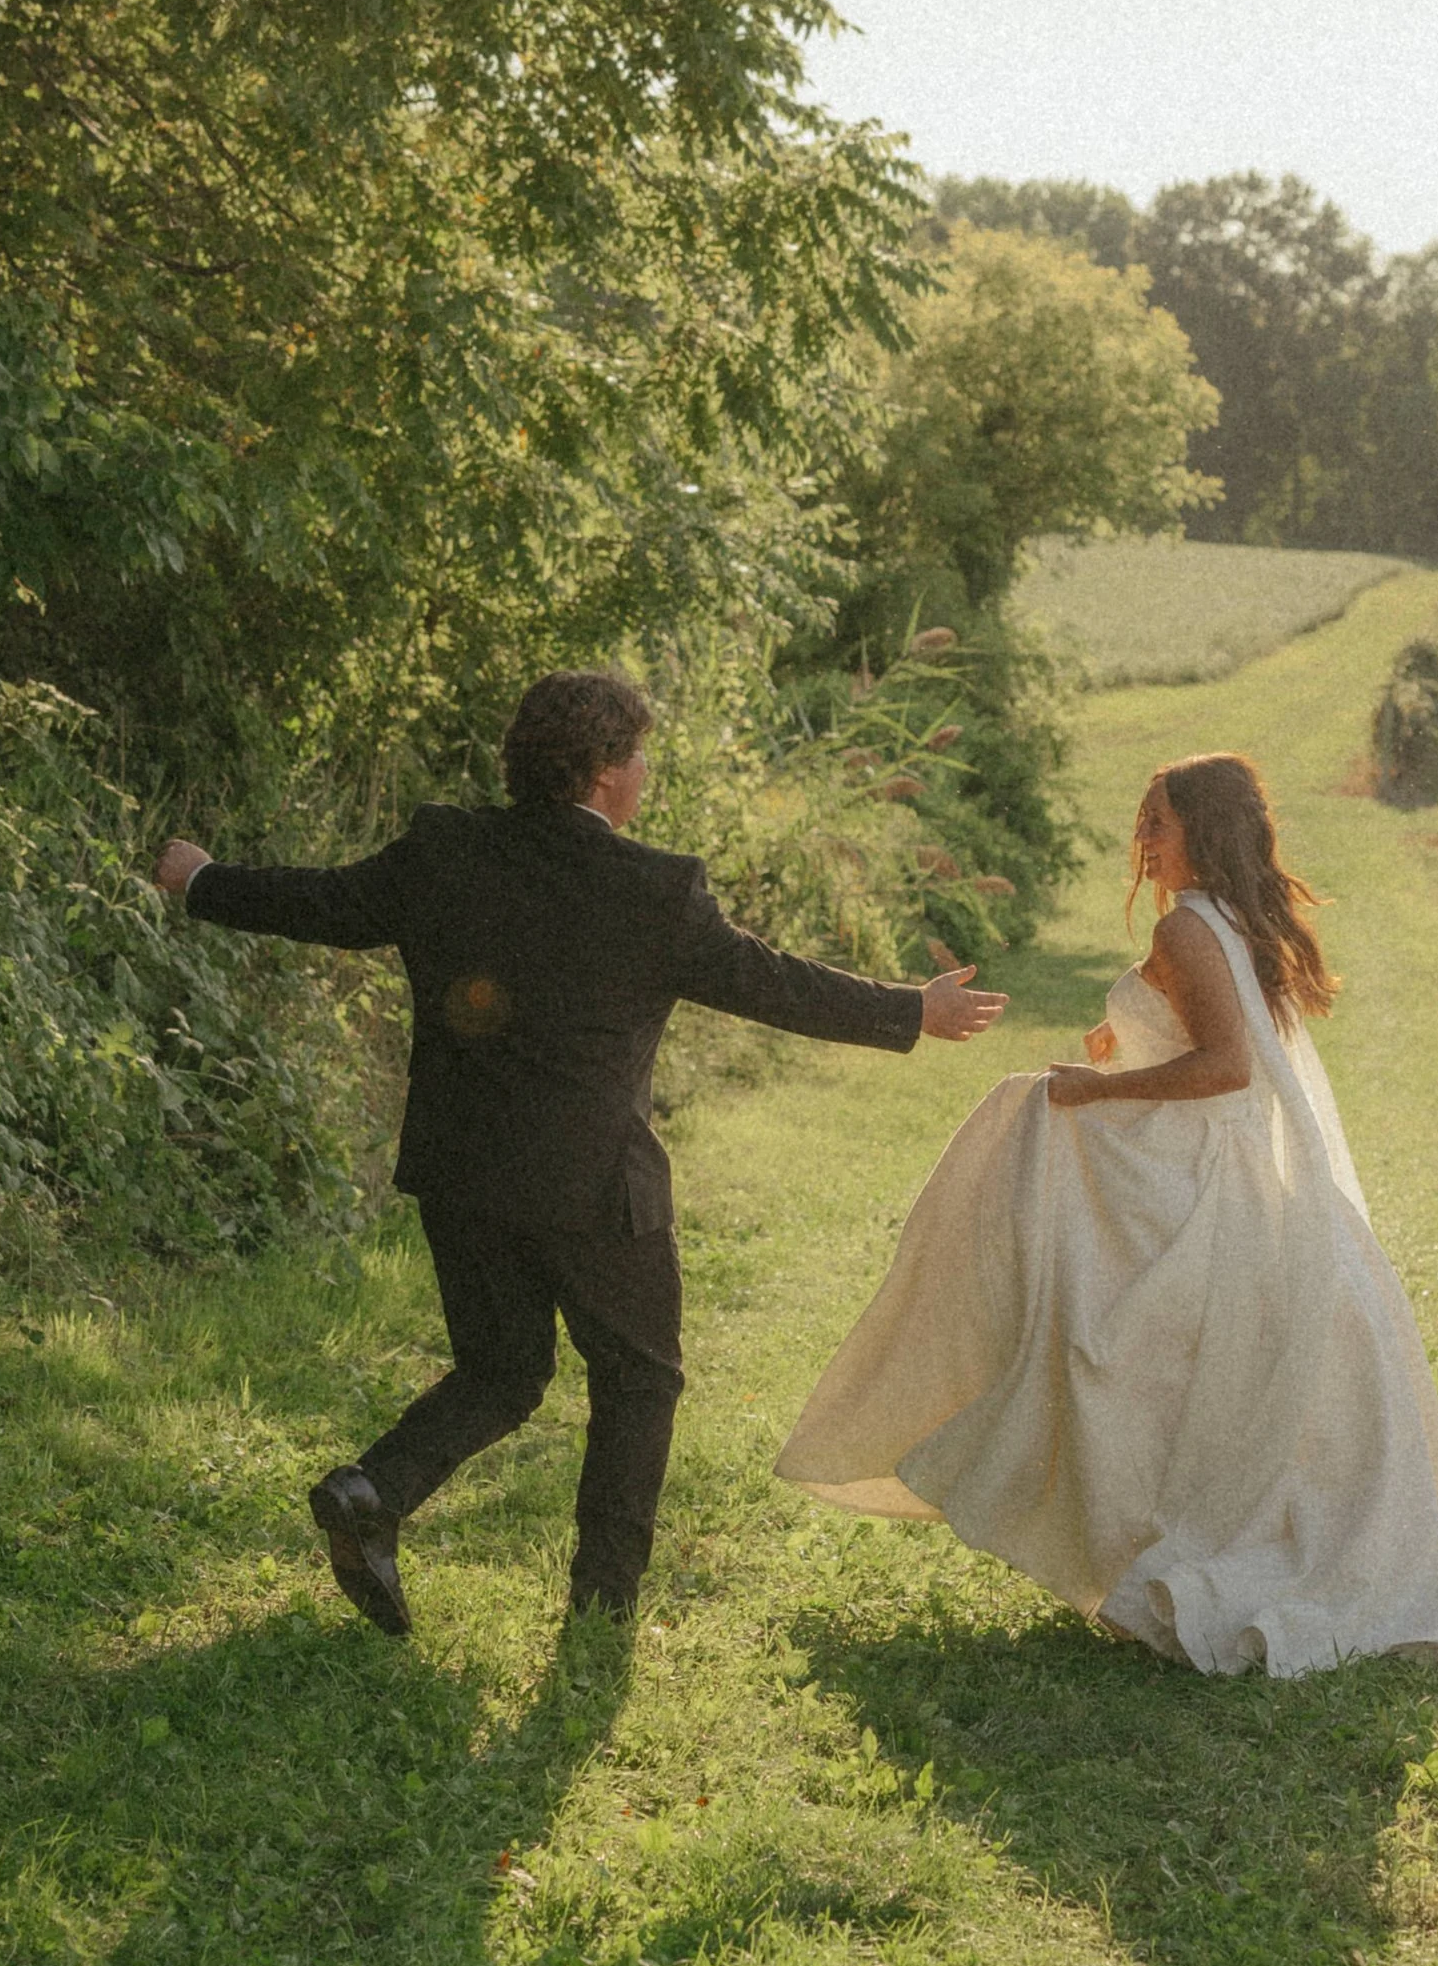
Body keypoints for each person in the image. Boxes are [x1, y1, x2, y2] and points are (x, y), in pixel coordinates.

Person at [154, 668, 1008, 1635]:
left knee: (504, 1370)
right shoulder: (657, 890)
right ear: (604, 774)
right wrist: (912, 1011)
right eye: (639, 756)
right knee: (640, 1379)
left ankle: (371, 1492)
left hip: (461, 1174)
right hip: (593, 1191)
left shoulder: (444, 850)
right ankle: (601, 1612)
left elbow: (325, 905)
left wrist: (202, 883)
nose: (645, 773)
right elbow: (771, 985)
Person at [776, 751, 1438, 1676]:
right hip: (1217, 1166)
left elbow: (1227, 1067)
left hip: (1198, 1175)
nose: (1143, 840)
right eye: (1141, 820)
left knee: (1086, 1318)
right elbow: (1211, 1038)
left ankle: (1137, 1520)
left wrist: (1093, 1088)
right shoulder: (1231, 918)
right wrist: (1130, 1042)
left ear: (1205, 830)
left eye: (1160, 822)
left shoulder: (1194, 927)